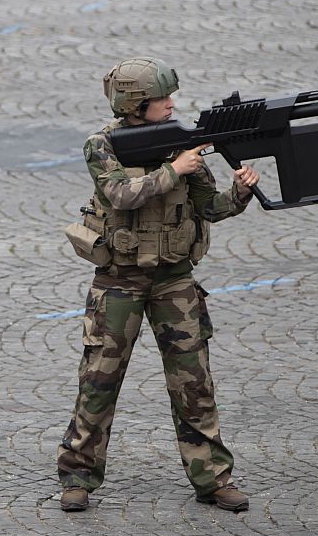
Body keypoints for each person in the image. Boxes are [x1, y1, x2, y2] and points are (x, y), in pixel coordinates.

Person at [57, 57, 259, 512]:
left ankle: (212, 478)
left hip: (174, 280)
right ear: (136, 104)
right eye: (162, 99)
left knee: (195, 383)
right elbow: (118, 194)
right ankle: (78, 476)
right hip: (118, 282)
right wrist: (175, 169)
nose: (172, 105)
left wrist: (241, 193)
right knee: (99, 382)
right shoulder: (102, 145)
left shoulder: (178, 144)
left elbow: (210, 208)